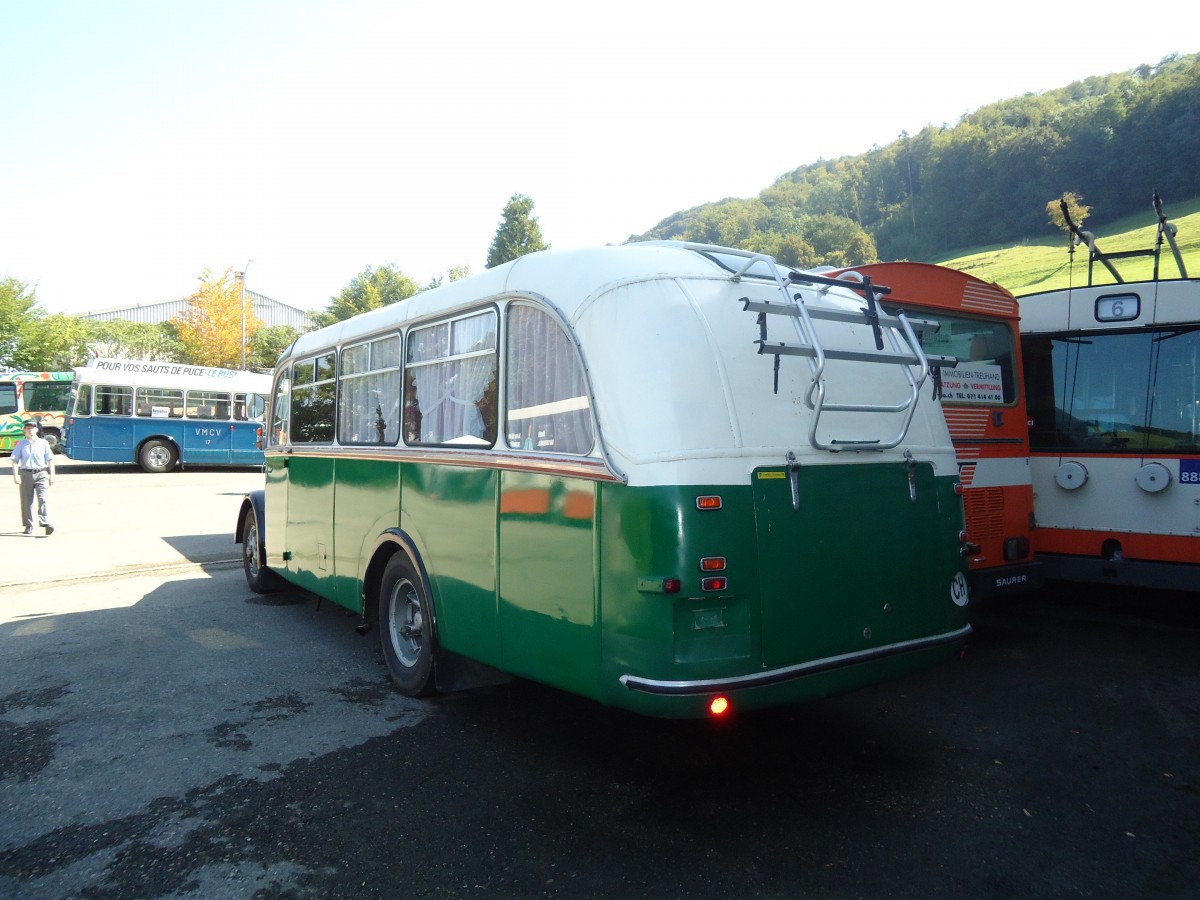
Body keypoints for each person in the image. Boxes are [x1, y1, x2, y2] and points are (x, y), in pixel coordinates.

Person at [11, 419, 55, 535]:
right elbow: (15, 460)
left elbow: (50, 459)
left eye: (32, 428)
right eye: (28, 428)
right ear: (24, 431)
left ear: (36, 429)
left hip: (41, 473)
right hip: (26, 474)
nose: (30, 430)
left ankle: (46, 523)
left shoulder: (43, 443)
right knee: (27, 501)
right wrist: (15, 475)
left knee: (43, 499)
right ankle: (28, 525)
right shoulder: (21, 444)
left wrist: (52, 475)